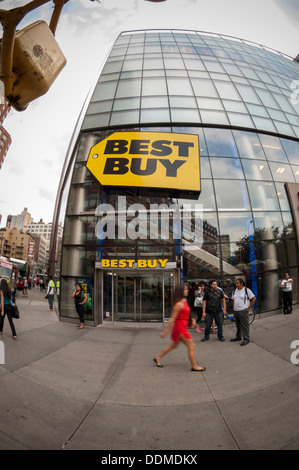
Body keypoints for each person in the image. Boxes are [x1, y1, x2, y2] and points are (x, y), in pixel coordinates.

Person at [153, 284, 206, 371]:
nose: (187, 291)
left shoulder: (184, 301)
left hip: (182, 327)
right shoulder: (178, 304)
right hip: (180, 328)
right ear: (180, 291)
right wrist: (165, 332)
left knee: (173, 346)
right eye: (185, 289)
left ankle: (158, 357)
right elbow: (172, 320)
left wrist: (192, 320)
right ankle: (194, 366)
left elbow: (186, 314)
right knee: (191, 346)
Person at [230, 278, 256, 346]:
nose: (236, 284)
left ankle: (246, 339)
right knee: (238, 325)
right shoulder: (234, 291)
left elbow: (253, 298)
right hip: (236, 311)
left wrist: (249, 308)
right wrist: (234, 307)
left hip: (243, 310)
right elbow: (232, 299)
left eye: (237, 283)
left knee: (245, 325)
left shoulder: (246, 290)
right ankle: (238, 337)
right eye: (236, 283)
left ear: (241, 284)